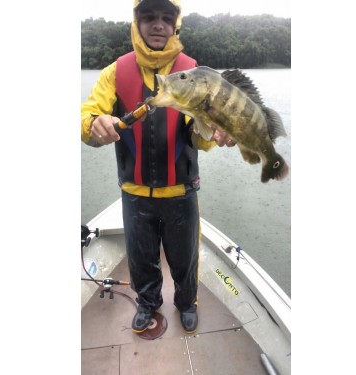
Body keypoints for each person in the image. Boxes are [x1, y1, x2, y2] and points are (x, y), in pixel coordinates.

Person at [81, 0, 235, 334]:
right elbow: (87, 115)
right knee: (140, 258)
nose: (158, 24)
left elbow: (203, 138)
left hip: (181, 191)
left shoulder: (195, 72)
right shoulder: (115, 72)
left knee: (185, 259)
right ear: (136, 21)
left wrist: (217, 134)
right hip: (134, 193)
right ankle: (148, 301)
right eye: (148, 16)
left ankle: (186, 302)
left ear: (176, 24)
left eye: (166, 17)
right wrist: (95, 123)